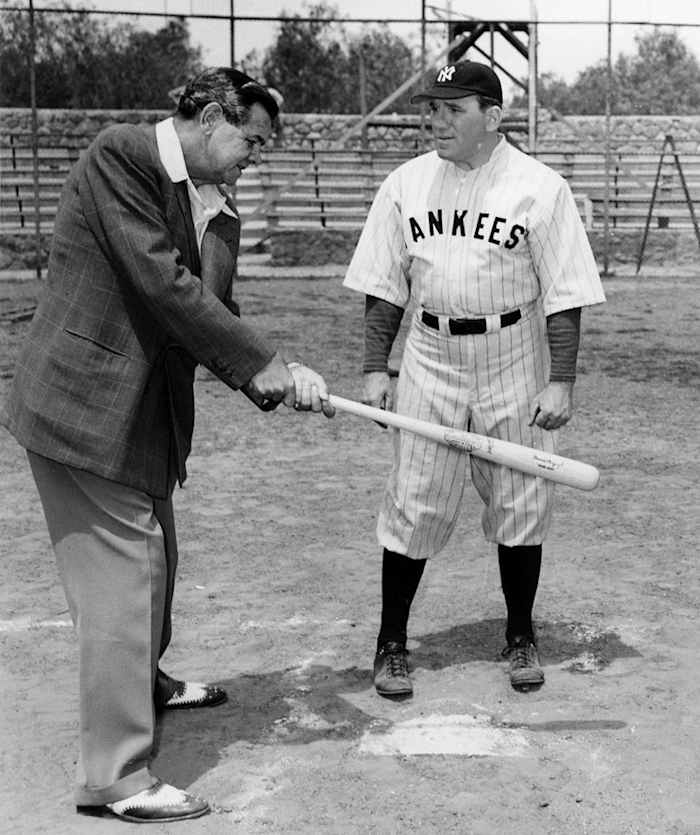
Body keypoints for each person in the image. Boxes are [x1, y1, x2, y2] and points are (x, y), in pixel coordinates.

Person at [1, 67, 334, 824]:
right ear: (212, 115)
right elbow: (162, 284)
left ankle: (144, 681)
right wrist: (261, 361)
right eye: (249, 139)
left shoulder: (219, 205)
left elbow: (212, 310)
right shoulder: (121, 155)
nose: (255, 156)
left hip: (144, 416)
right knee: (124, 580)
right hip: (83, 407)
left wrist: (277, 379)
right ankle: (114, 778)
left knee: (160, 562)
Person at [342, 60, 605, 699]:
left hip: (513, 352)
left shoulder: (540, 187)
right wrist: (378, 368)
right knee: (415, 496)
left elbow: (564, 292)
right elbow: (384, 284)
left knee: (521, 498)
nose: (436, 120)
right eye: (432, 107)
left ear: (492, 117)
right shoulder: (405, 184)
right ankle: (391, 645)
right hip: (430, 351)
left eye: (453, 109)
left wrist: (561, 380)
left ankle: (520, 635)